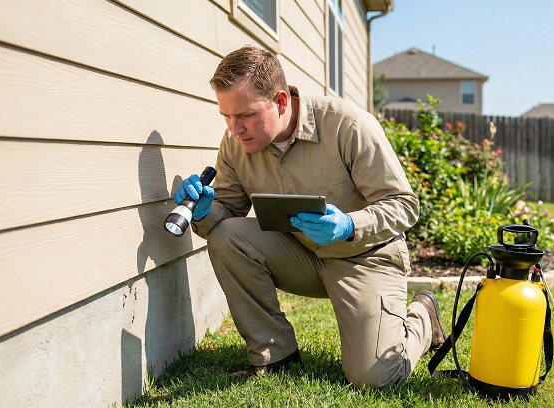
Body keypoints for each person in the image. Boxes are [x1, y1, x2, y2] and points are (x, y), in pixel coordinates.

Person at [173, 45, 446, 389]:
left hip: (365, 258)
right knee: (227, 235)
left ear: (281, 102)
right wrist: (202, 212)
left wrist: (349, 225)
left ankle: (423, 313)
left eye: (244, 115)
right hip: (301, 255)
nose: (235, 128)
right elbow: (225, 216)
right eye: (226, 116)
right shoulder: (235, 144)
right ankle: (275, 356)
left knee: (375, 378)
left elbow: (404, 204)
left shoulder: (349, 126)